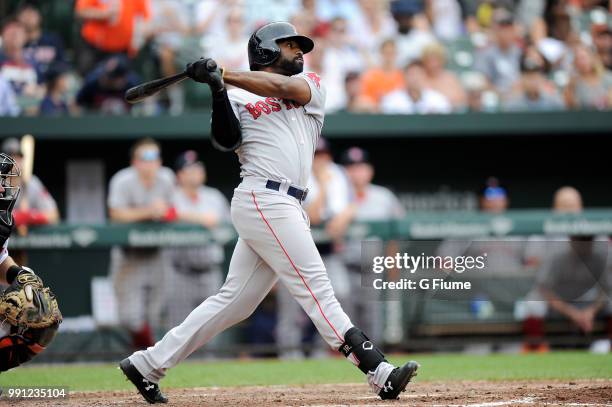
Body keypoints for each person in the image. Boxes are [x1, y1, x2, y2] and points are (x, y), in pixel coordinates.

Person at [119, 22, 418, 404]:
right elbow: (226, 140)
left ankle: (147, 364)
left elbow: (279, 87)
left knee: (235, 301)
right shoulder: (239, 97)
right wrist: (217, 89)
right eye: (289, 45)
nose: (298, 51)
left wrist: (222, 73)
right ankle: (379, 371)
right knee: (316, 288)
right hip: (263, 197)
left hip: (287, 203)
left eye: (299, 45)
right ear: (264, 51)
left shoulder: (311, 83)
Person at [522, 187, 612, 352]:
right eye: (564, 206)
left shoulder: (600, 242)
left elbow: (607, 288)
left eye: (573, 206)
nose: (569, 211)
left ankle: (607, 346)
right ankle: (536, 351)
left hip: (589, 300)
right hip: (555, 300)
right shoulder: (551, 245)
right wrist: (572, 313)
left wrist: (590, 311)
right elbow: (543, 287)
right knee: (532, 304)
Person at [107, 138, 176, 350]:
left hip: (157, 254)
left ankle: (145, 357)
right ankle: (146, 352)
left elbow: (174, 210)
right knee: (129, 317)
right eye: (144, 158)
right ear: (135, 162)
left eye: (154, 158)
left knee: (155, 315)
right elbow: (116, 214)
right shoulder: (122, 180)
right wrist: (149, 211)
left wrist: (164, 211)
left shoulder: (166, 178)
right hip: (129, 256)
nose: (150, 163)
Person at [335, 147, 405, 341]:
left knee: (372, 320)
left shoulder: (384, 197)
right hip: (342, 266)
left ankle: (375, 362)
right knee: (343, 319)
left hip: (372, 267)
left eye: (361, 167)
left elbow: (394, 238)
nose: (356, 172)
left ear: (370, 171)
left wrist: (393, 271)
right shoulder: (336, 196)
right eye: (351, 167)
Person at [0, 153, 61, 373]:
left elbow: (1, 261)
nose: (2, 188)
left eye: (3, 181)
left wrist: (18, 275)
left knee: (38, 311)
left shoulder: (2, 220)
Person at [164, 150, 229, 329]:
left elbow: (231, 228)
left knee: (211, 329)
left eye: (198, 167)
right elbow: (163, 214)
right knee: (178, 330)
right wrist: (198, 219)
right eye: (190, 169)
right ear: (179, 175)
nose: (196, 171)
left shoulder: (214, 196)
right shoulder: (171, 197)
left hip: (210, 271)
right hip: (180, 273)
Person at [74, 0, 151, 75]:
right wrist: (104, 14)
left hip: (122, 50)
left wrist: (138, 38)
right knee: (92, 78)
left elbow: (145, 18)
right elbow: (81, 11)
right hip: (94, 48)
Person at [1, 137, 60, 227]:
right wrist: (14, 217)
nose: (16, 161)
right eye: (12, 157)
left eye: (19, 156)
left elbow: (54, 215)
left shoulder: (32, 183)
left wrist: (31, 217)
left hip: (28, 240)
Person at [474, 8, 522, 96]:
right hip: (496, 98)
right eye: (503, 29)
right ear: (495, 30)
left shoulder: (519, 51)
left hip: (518, 98)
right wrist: (501, 94)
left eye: (509, 28)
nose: (507, 33)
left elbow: (528, 77)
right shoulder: (486, 52)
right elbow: (482, 82)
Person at [16, 3, 66, 80]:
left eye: (32, 12)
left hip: (49, 85)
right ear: (18, 18)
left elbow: (62, 65)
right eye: (25, 13)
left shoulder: (52, 40)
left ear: (40, 16)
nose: (28, 17)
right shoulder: (14, 43)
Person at [381, 62, 452, 114]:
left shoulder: (437, 99)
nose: (415, 78)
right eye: (412, 74)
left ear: (424, 76)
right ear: (404, 77)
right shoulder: (392, 100)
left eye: (419, 74)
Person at [358, 39, 405, 108]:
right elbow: (365, 98)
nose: (389, 57)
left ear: (396, 54)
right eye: (386, 53)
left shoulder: (403, 76)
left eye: (391, 53)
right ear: (380, 53)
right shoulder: (371, 76)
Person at [420, 42, 467, 111]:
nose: (433, 64)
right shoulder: (420, 78)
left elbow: (462, 101)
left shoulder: (451, 78)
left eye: (436, 60)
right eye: (429, 60)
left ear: (442, 60)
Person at [564, 44, 612, 111]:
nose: (581, 62)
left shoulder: (608, 77)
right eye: (577, 59)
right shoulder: (573, 83)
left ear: (592, 58)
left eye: (583, 58)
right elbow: (571, 108)